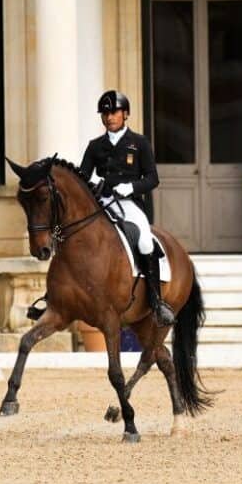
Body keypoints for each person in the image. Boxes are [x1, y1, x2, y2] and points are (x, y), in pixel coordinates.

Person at [79, 90, 174, 326]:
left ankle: (155, 301)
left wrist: (130, 187)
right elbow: (82, 178)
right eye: (105, 113)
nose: (109, 117)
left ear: (125, 114)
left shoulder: (139, 143)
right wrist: (95, 186)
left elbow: (152, 179)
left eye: (113, 112)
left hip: (129, 203)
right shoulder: (95, 146)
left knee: (144, 240)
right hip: (102, 201)